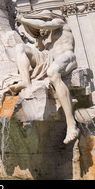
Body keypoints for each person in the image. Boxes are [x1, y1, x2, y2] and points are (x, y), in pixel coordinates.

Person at [11, 10, 79, 144]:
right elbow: (36, 47)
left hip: (66, 57)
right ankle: (26, 81)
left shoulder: (60, 23)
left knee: (53, 72)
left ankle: (71, 124)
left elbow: (44, 25)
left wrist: (23, 19)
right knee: (20, 48)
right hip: (49, 59)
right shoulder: (45, 40)